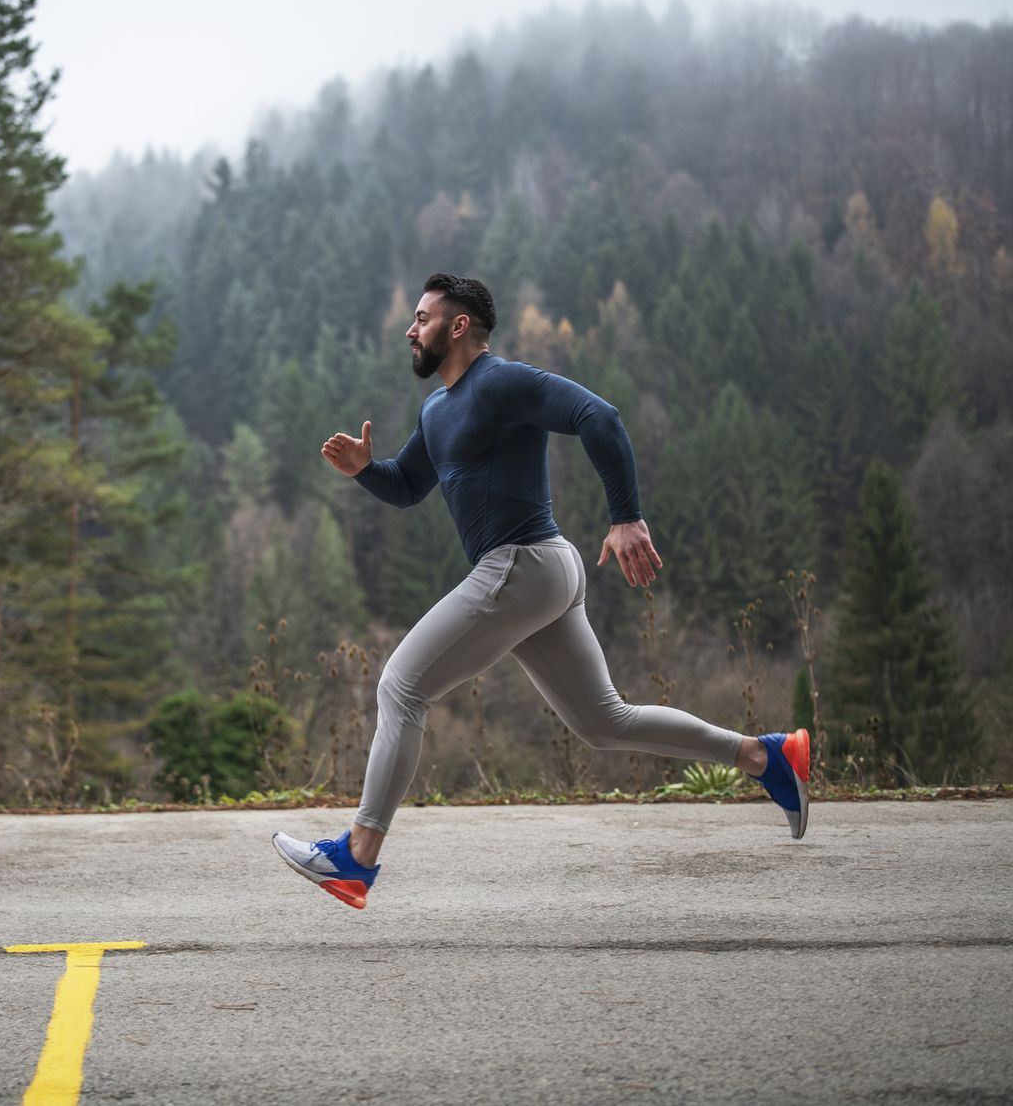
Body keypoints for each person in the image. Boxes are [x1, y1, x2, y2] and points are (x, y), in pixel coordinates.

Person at [272, 273, 809, 909]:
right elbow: (409, 485)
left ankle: (356, 858)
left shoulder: (500, 382)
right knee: (604, 721)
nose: (410, 330)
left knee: (401, 687)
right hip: (541, 573)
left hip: (521, 564)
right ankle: (766, 757)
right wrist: (366, 471)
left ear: (459, 325)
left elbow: (598, 416)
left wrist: (626, 516)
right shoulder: (438, 409)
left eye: (422, 318)